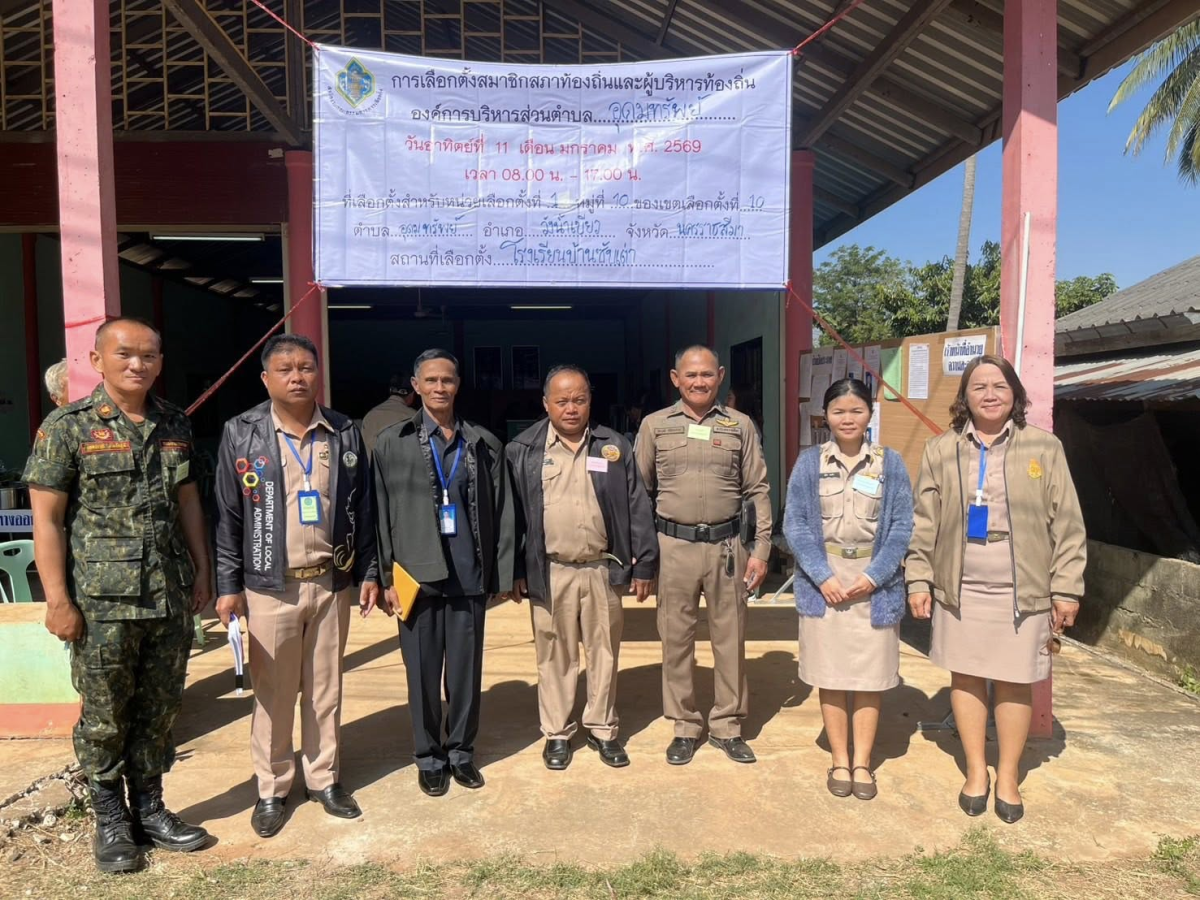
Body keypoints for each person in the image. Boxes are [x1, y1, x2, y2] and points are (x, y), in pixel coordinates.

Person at [24, 318, 212, 874]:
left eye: (149, 355)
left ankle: (150, 810)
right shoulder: (67, 427)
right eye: (125, 354)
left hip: (168, 596)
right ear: (97, 359)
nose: (138, 364)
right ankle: (110, 820)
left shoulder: (174, 422)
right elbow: (47, 520)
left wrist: (203, 571)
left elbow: (189, 504)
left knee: (158, 710)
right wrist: (57, 599)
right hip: (102, 604)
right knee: (105, 716)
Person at [907, 355, 1086, 824]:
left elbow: (1067, 524)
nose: (989, 393)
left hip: (1022, 586)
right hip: (960, 584)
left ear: (1015, 395)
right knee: (965, 676)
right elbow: (924, 523)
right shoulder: (941, 450)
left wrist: (1066, 587)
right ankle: (975, 771)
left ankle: (1007, 774)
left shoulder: (1043, 448)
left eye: (999, 385)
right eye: (979, 386)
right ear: (964, 398)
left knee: (1015, 678)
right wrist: (918, 577)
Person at [213, 334, 379, 838]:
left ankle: (324, 779)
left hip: (330, 583)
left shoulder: (345, 432)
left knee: (325, 690)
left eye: (306, 367)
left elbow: (364, 508)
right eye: (285, 369)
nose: (297, 376)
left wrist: (369, 571)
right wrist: (228, 585)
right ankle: (272, 787)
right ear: (266, 379)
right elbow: (226, 516)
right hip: (269, 587)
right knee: (274, 692)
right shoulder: (241, 433)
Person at [373, 349, 514, 796]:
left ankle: (461, 753)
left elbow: (503, 512)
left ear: (457, 385)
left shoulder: (482, 443)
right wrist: (384, 577)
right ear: (415, 386)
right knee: (421, 671)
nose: (439, 388)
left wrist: (501, 576)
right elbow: (379, 514)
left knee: (464, 675)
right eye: (430, 381)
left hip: (468, 575)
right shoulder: (391, 443)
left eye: (447, 380)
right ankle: (428, 756)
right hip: (415, 576)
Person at [506, 365, 658, 770]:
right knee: (554, 655)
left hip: (601, 570)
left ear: (590, 400)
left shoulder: (613, 446)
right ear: (545, 404)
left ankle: (603, 728)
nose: (571, 408)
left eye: (579, 399)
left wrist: (643, 564)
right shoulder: (523, 450)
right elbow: (514, 517)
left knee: (604, 652)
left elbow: (637, 507)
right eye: (562, 400)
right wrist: (513, 571)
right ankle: (557, 733)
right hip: (550, 570)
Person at [634, 345, 772, 765]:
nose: (699, 382)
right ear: (675, 378)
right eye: (690, 375)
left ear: (721, 376)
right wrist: (644, 557)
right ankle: (685, 726)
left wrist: (762, 548)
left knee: (730, 641)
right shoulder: (655, 426)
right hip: (672, 547)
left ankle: (727, 725)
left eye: (707, 375)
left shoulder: (740, 426)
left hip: (727, 548)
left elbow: (758, 489)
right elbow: (640, 493)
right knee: (676, 641)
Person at [782, 378, 913, 800]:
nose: (848, 418)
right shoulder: (809, 463)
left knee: (870, 678)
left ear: (870, 414)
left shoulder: (889, 464)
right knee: (832, 675)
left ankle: (863, 763)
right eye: (839, 411)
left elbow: (901, 527)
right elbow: (796, 523)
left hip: (873, 581)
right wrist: (822, 576)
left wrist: (874, 576)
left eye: (856, 410)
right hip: (826, 581)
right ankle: (840, 759)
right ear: (826, 417)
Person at [362, 373, 419, 456]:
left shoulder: (370, 416)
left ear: (390, 390)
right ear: (411, 394)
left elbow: (365, 453)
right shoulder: (415, 416)